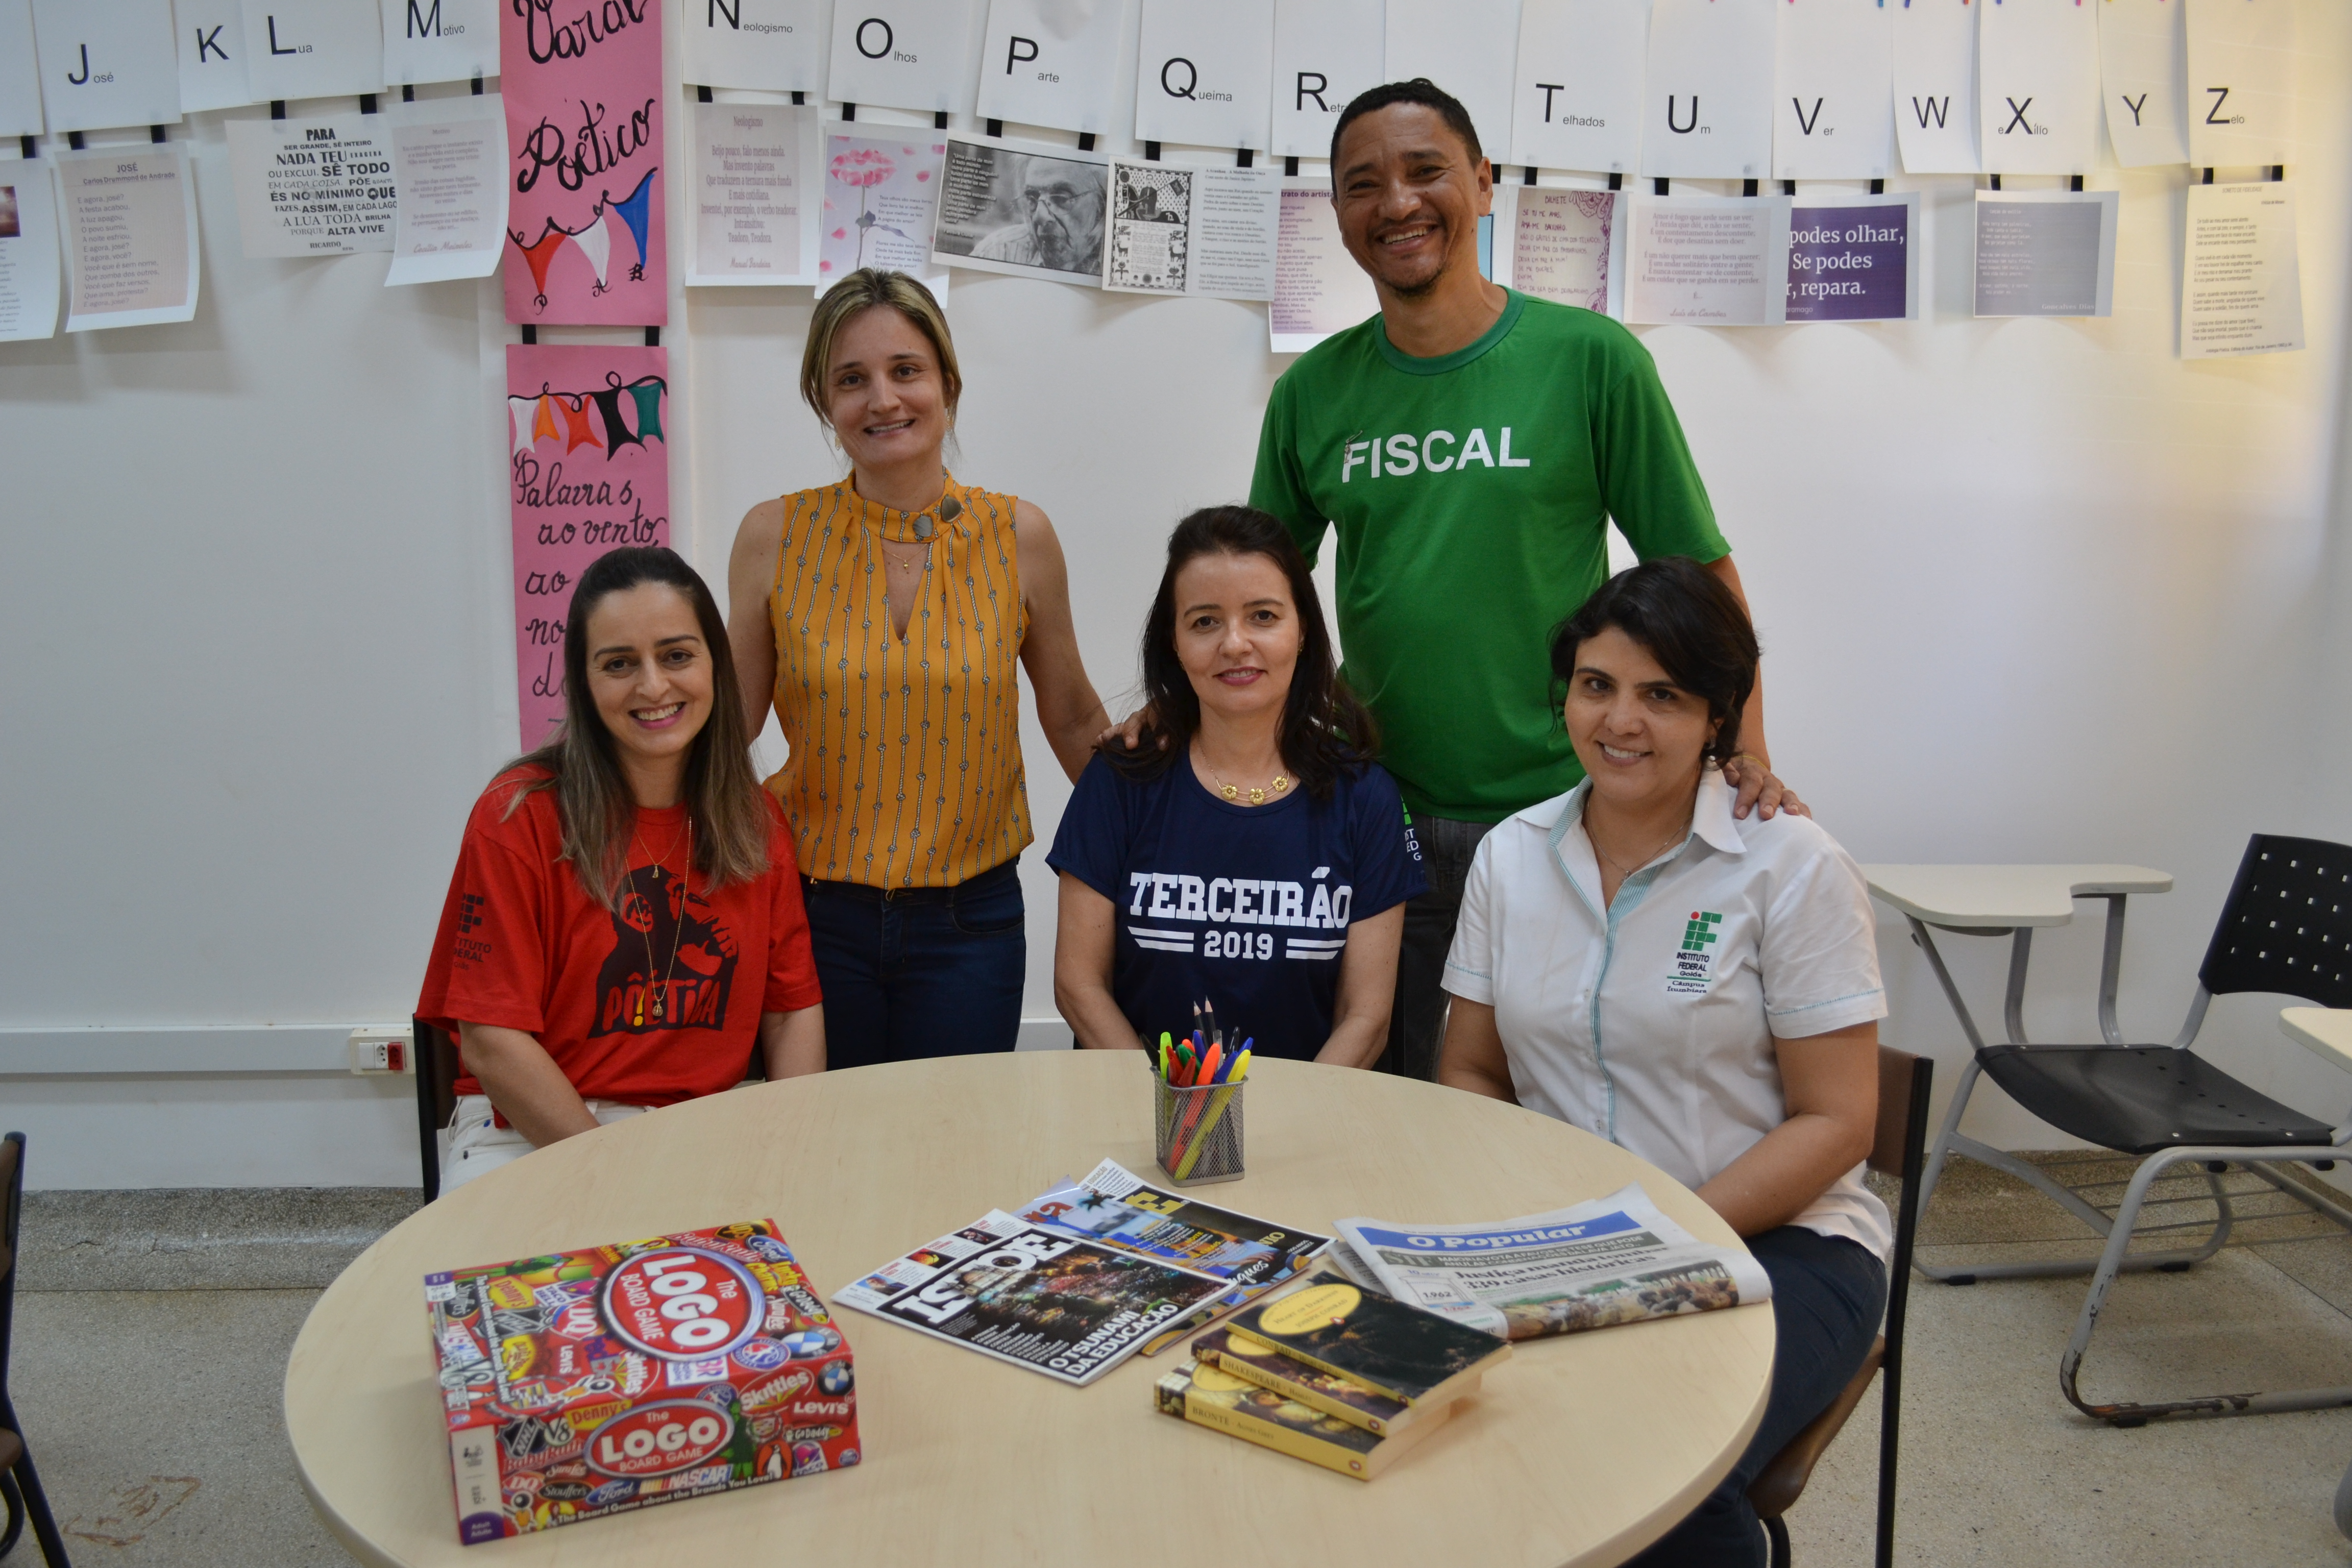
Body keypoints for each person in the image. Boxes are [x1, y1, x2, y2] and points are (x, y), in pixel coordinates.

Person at [1237, 78, 1807, 1083]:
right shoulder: (1314, 393)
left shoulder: (1589, 360)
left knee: (1562, 1095)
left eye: (1427, 172)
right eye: (1363, 184)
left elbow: (1697, 570)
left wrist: (1743, 749)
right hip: (1386, 819)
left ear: (1485, 185)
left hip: (1568, 814)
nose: (1398, 202)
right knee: (1411, 1093)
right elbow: (1258, 598)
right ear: (1338, 216)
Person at [1437, 558, 1885, 1568]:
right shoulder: (1511, 856)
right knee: (1435, 1418)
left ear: (1719, 717)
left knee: (1663, 1463)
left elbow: (1839, 1122)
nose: (1620, 721)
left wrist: (1661, 1239)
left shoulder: (1793, 867)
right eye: (1597, 686)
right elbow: (1469, 1070)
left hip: (1784, 1243)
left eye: (1662, 696)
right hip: (1565, 1237)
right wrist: (1541, 1227)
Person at [726, 268, 1108, 1067]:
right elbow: (725, 733)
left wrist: (1170, 824)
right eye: (852, 380)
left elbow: (1072, 718)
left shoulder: (1019, 536)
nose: (883, 399)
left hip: (971, 924)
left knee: (952, 1155)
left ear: (948, 385)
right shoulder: (773, 536)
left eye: (906, 371)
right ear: (824, 403)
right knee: (823, 1153)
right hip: (813, 913)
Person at [419, 548, 826, 1193]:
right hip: (531, 1135)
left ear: (715, 665)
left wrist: (789, 1148)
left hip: (702, 1131)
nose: (653, 687)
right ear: (584, 683)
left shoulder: (755, 822)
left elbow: (791, 1012)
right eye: (618, 664)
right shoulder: (518, 815)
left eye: (676, 655)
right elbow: (492, 1040)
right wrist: (615, 1173)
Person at [1049, 507, 1422, 1064]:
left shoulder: (1365, 796)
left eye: (1264, 616)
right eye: (1205, 621)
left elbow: (1366, 1019)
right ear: (1173, 641)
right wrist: (1173, 1115)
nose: (1235, 644)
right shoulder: (1119, 779)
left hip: (1305, 1124)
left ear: (1302, 632)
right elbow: (1079, 986)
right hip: (1139, 1117)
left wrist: (1288, 1126)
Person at [971, 153, 1105, 275]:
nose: (1040, 217)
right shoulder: (998, 252)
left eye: (1061, 198)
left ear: (1101, 204)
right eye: (1032, 198)